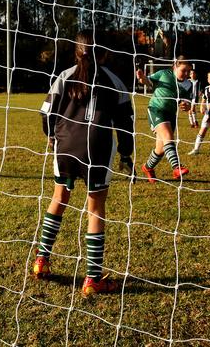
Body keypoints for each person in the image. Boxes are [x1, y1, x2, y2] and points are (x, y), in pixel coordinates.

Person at [34, 31, 134, 296]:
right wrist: (126, 154)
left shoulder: (64, 76)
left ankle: (41, 261)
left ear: (76, 52)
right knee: (95, 209)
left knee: (58, 199)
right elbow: (126, 124)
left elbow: (45, 113)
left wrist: (52, 136)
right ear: (105, 54)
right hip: (98, 149)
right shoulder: (115, 82)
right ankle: (92, 279)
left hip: (65, 147)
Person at [136, 56, 192, 182]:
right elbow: (147, 81)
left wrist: (186, 106)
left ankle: (147, 167)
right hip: (156, 110)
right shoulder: (163, 74)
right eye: (184, 70)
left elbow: (188, 103)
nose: (186, 74)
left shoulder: (188, 85)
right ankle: (177, 167)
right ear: (175, 67)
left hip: (171, 114)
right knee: (168, 136)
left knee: (160, 149)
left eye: (188, 71)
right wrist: (141, 77)